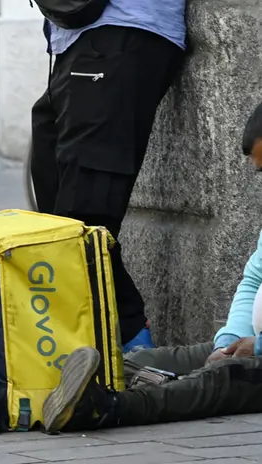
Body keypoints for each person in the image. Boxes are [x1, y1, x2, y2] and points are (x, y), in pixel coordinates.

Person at [40, 102, 262, 433]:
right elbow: (254, 279)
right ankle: (53, 392)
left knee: (217, 380)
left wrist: (254, 348)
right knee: (137, 362)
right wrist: (226, 341)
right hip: (251, 342)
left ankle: (106, 409)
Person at [29, 0, 187, 352]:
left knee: (82, 221)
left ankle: (132, 349)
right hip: (77, 40)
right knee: (58, 223)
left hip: (121, 31)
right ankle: (116, 344)